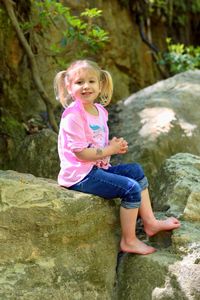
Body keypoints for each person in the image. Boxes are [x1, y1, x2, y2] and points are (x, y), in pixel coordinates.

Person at [54, 59, 180, 255]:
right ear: (69, 87)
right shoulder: (73, 116)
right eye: (79, 83)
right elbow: (81, 152)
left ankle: (150, 222)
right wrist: (109, 150)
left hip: (96, 169)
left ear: (101, 84)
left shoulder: (100, 112)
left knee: (135, 171)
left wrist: (114, 146)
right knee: (130, 188)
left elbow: (97, 144)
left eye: (91, 81)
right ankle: (129, 240)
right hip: (79, 176)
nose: (86, 86)